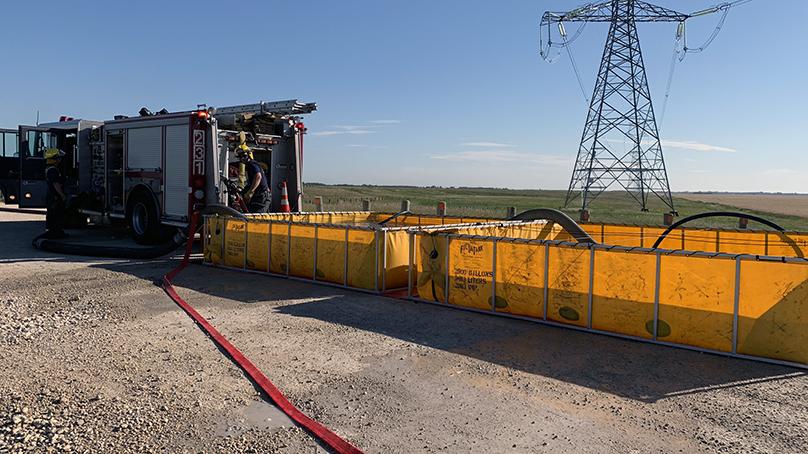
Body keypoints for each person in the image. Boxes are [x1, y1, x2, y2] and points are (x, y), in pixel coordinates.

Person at [236, 144, 271, 213]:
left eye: (243, 156)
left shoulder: (252, 164)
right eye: (240, 157)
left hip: (262, 196)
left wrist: (250, 191)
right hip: (259, 195)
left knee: (257, 218)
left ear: (248, 155)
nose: (241, 159)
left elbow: (258, 176)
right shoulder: (249, 166)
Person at [44, 148, 68, 238]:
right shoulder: (53, 170)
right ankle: (55, 233)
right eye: (58, 158)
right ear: (54, 159)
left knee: (53, 214)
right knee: (56, 214)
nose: (60, 160)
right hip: (55, 196)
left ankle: (55, 232)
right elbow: (55, 184)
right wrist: (62, 195)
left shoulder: (49, 168)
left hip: (51, 196)